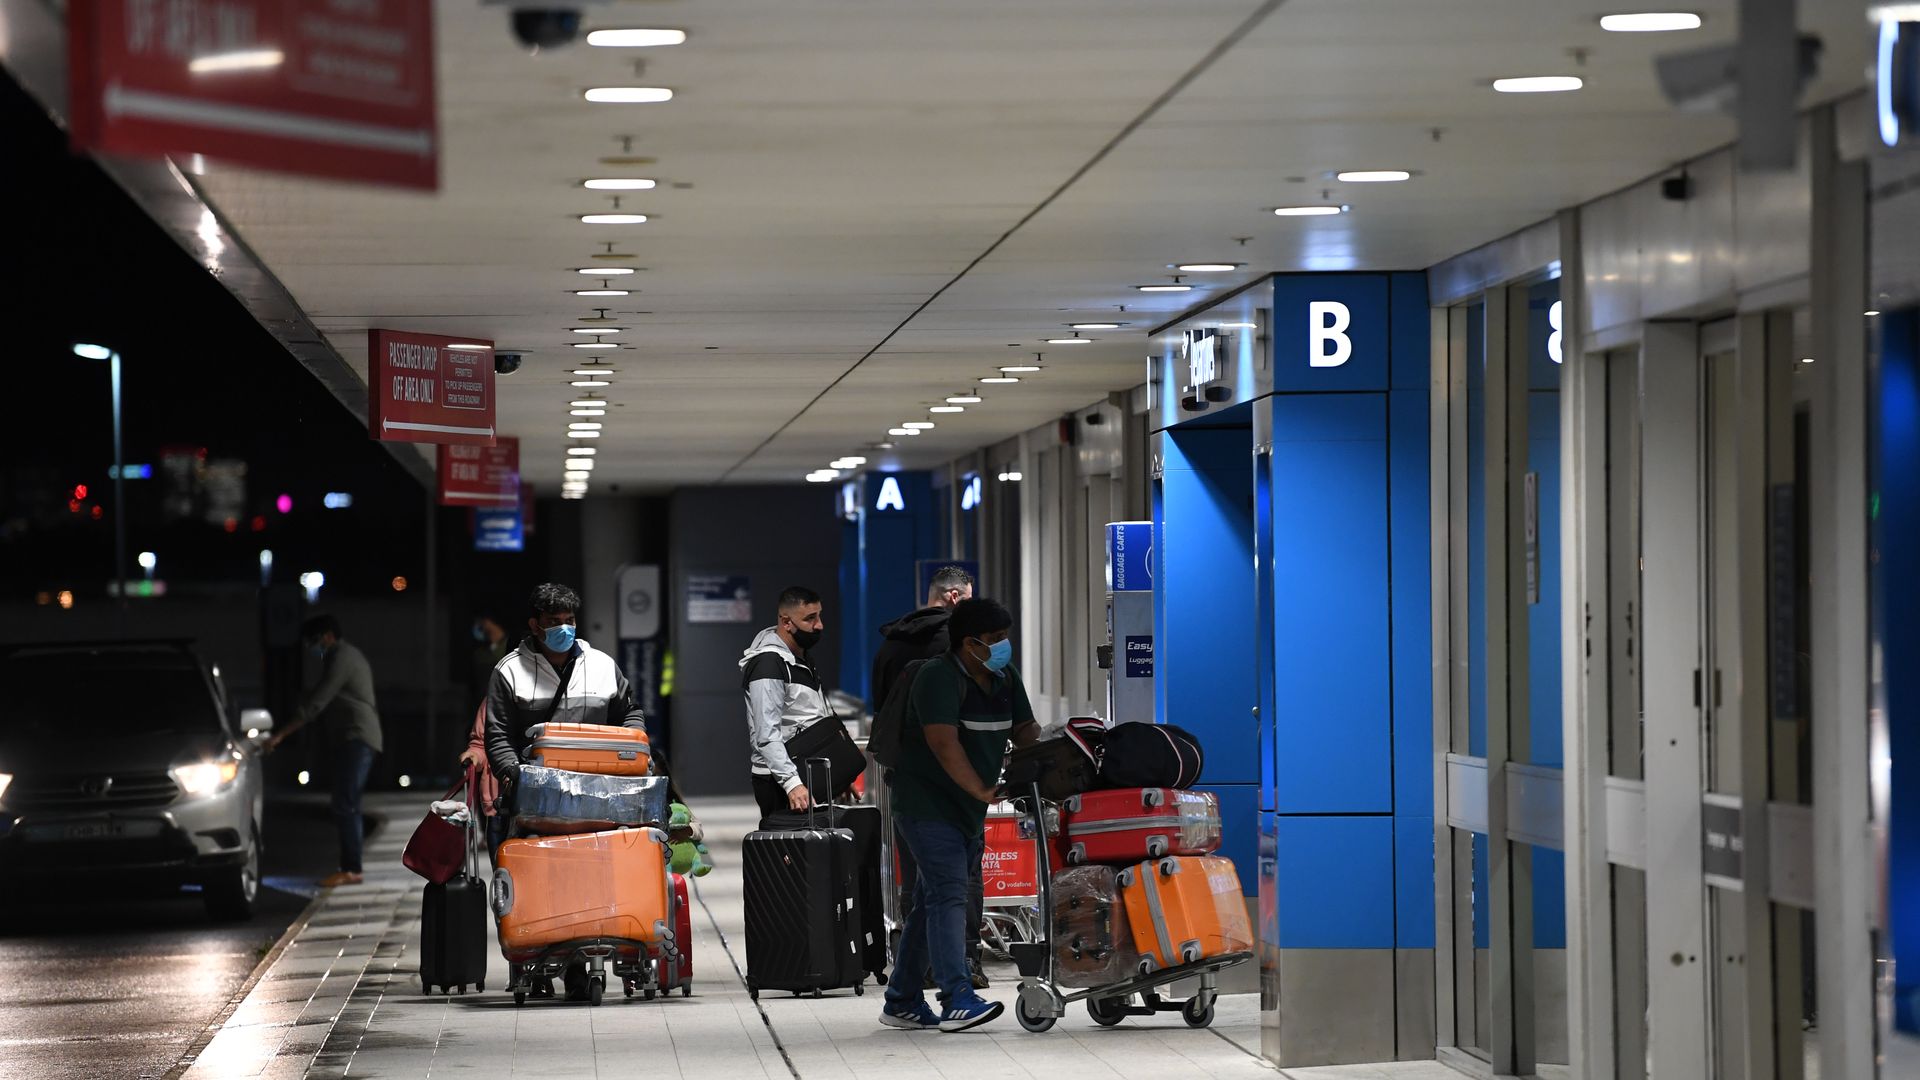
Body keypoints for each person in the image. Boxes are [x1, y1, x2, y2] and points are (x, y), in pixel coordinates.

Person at [880, 598, 1039, 1033]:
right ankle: (956, 996)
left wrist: (1048, 746)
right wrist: (984, 791)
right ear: (969, 644)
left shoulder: (1005, 677)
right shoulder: (937, 677)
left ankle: (902, 1000)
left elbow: (1026, 731)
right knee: (950, 893)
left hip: (967, 813)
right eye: (994, 641)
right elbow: (944, 745)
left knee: (931, 903)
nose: (1004, 647)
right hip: (926, 806)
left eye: (1006, 638)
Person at [483, 582, 647, 1001]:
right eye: (554, 623)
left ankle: (578, 962)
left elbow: (629, 712)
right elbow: (497, 734)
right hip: (535, 797)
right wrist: (513, 775)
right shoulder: (509, 672)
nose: (563, 629)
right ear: (534, 625)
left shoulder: (601, 665)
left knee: (587, 874)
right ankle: (533, 953)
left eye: (569, 622)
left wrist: (633, 746)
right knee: (535, 875)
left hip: (594, 793)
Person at [869, 565, 993, 989]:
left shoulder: (889, 647)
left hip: (906, 779)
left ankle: (918, 965)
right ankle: (964, 961)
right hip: (956, 782)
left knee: (917, 877)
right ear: (957, 598)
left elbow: (881, 712)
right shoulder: (960, 650)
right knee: (963, 877)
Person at [265, 614, 382, 888]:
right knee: (345, 801)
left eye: (313, 641)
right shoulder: (341, 656)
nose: (312, 648)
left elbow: (317, 702)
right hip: (352, 738)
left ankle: (352, 868)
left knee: (346, 802)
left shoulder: (342, 657)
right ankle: (350, 866)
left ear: (327, 636)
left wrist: (280, 735)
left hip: (358, 737)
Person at [739, 585, 832, 822]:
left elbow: (811, 716)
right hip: (780, 781)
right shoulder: (768, 664)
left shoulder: (799, 658)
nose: (819, 625)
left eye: (819, 616)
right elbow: (767, 734)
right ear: (786, 622)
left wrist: (838, 771)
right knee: (788, 857)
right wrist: (792, 784)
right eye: (810, 618)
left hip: (805, 774)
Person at [468, 611, 510, 708]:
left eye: (480, 622)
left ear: (488, 622)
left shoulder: (512, 647)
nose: (478, 626)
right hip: (483, 706)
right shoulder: (480, 653)